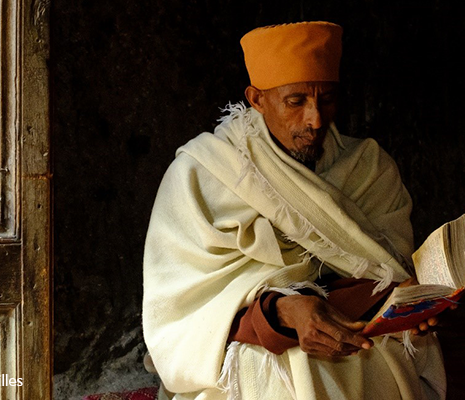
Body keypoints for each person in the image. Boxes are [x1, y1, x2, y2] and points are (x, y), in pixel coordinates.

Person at [142, 21, 447, 400]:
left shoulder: (367, 166)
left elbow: (385, 270)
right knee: (288, 367)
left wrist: (403, 303)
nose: (316, 120)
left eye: (327, 99)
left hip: (352, 315)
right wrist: (280, 313)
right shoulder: (200, 175)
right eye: (296, 101)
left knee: (381, 352)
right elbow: (183, 310)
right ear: (257, 99)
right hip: (248, 336)